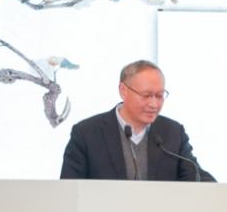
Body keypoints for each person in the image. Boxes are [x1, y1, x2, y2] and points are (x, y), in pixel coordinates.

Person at [60, 60, 215, 181]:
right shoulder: (87, 133)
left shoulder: (173, 132)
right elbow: (68, 190)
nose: (154, 104)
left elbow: (196, 178)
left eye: (159, 96)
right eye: (146, 95)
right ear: (123, 90)